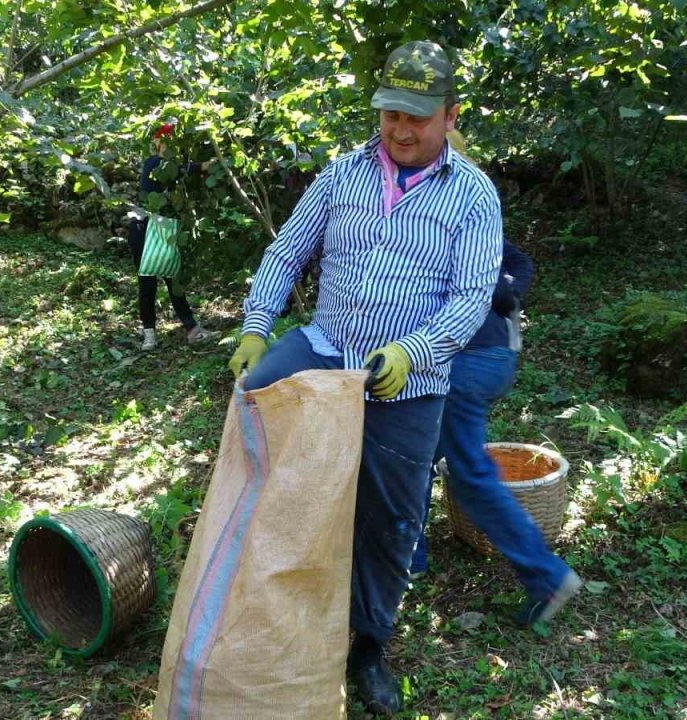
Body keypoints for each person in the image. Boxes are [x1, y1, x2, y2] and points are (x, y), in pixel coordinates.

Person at [228, 41, 502, 716]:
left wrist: (415, 348)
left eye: (418, 117)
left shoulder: (472, 193)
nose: (402, 130)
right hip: (326, 350)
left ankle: (367, 647)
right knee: (252, 410)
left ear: (449, 114)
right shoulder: (343, 174)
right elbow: (287, 249)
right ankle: (264, 600)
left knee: (391, 521)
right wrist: (258, 325)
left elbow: (471, 299)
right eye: (390, 115)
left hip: (409, 383)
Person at [408, 133, 583, 627]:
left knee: (465, 469)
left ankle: (548, 577)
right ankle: (411, 556)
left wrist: (504, 293)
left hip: (475, 358)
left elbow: (518, 264)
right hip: (470, 357)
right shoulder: (422, 211)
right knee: (419, 450)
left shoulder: (459, 210)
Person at [128, 122, 215, 350]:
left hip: (164, 229)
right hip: (144, 230)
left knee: (174, 281)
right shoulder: (154, 163)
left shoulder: (169, 164)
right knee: (147, 284)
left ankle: (193, 330)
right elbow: (175, 169)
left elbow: (180, 169)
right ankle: (149, 335)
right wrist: (201, 166)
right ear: (159, 142)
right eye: (164, 140)